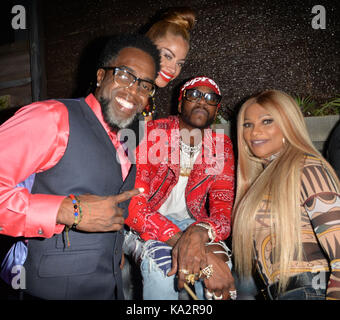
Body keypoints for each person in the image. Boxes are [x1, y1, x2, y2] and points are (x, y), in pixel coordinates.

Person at [0, 34, 161, 300]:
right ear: (100, 76)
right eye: (124, 75)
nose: (134, 90)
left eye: (145, 85)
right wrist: (68, 210)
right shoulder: (52, 117)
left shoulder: (125, 141)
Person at [124, 76, 236, 300]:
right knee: (163, 269)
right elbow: (134, 206)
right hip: (144, 225)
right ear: (179, 103)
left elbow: (222, 210)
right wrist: (192, 246)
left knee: (221, 270)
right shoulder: (153, 134)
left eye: (210, 98)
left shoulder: (220, 145)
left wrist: (199, 233)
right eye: (194, 95)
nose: (202, 101)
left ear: (216, 110)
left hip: (193, 225)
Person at [232, 89, 340, 300]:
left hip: (310, 291)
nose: (254, 132)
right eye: (247, 124)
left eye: (266, 121)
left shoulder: (306, 167)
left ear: (288, 124)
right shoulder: (263, 180)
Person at [142, 7, 196, 120]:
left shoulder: (147, 94)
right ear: (147, 46)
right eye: (167, 56)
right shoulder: (123, 89)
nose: (173, 69)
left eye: (180, 63)